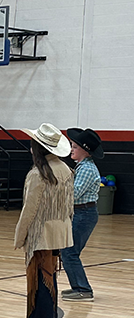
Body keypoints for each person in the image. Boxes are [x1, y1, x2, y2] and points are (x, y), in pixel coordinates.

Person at [14, 123, 74, 318]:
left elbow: (29, 210)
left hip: (41, 234)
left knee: (38, 277)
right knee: (50, 275)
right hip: (59, 231)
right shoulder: (65, 169)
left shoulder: (38, 174)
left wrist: (20, 236)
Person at [61, 128, 103, 302]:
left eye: (75, 147)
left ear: (85, 150)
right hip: (81, 212)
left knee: (70, 251)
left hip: (84, 212)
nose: (71, 149)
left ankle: (83, 289)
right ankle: (77, 287)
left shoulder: (86, 169)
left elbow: (74, 193)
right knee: (69, 251)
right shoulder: (82, 167)